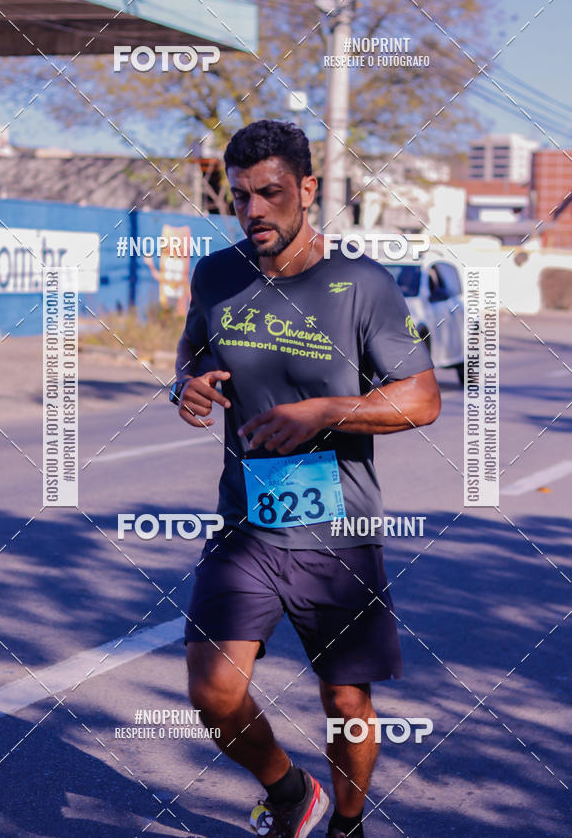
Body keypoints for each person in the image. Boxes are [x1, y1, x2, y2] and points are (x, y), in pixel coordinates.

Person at [170, 120, 441, 838]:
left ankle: (346, 826)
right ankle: (291, 795)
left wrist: (325, 411)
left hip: (338, 533)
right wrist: (186, 385)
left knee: (347, 705)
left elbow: (423, 399)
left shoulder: (362, 283)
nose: (254, 210)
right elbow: (192, 350)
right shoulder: (217, 274)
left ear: (308, 191)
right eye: (240, 197)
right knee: (212, 691)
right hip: (247, 524)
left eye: (271, 193)